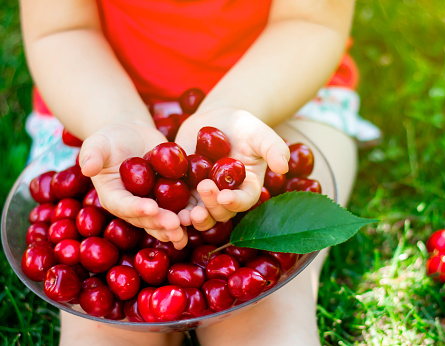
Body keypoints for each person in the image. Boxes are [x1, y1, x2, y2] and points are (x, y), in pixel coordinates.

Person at [19, 0, 373, 344]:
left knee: (269, 309)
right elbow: (60, 29)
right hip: (97, 105)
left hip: (275, 95)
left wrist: (236, 108)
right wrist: (114, 117)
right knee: (104, 326)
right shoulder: (105, 122)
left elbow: (311, 20)